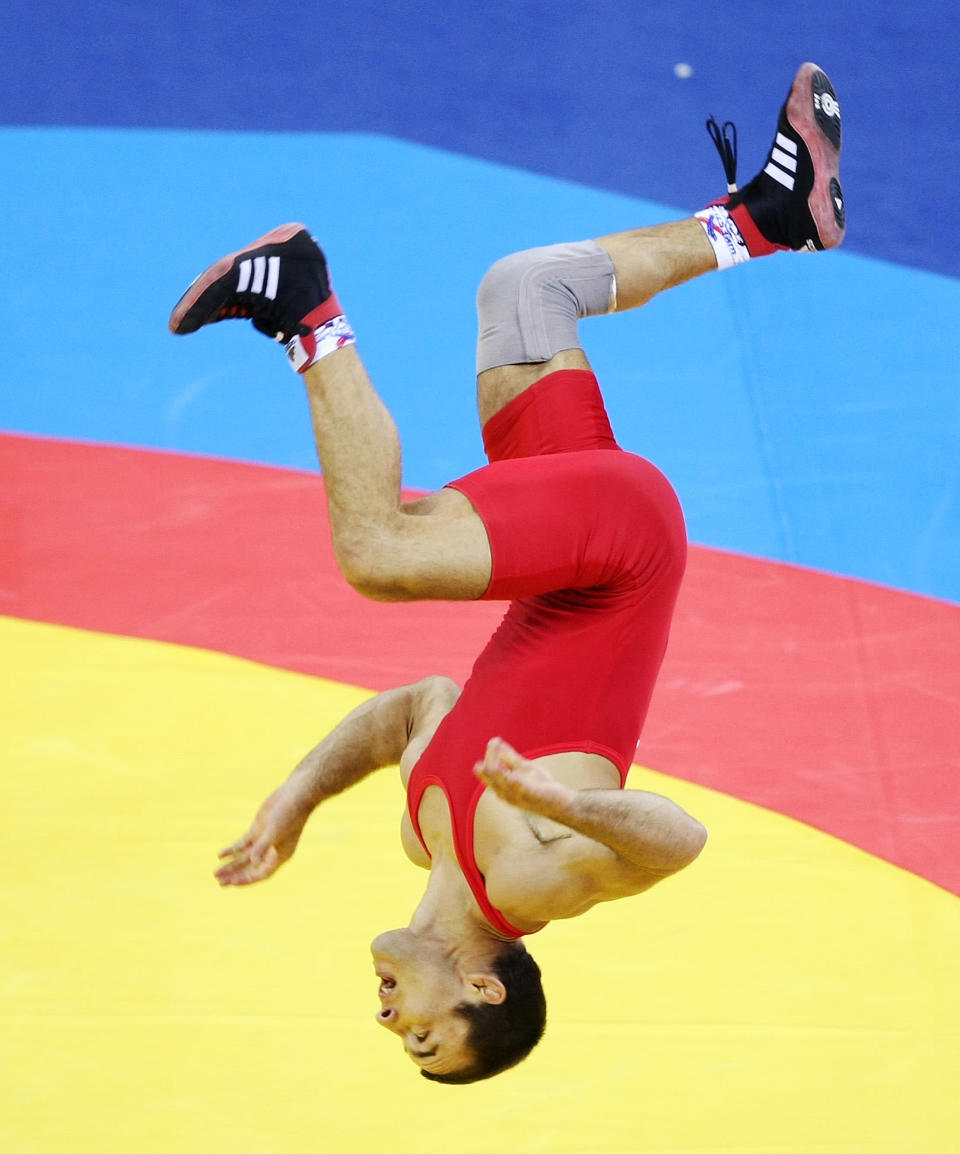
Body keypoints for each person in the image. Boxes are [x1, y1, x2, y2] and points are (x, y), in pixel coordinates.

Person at [170, 63, 844, 1083]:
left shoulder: (422, 832)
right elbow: (680, 840)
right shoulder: (532, 878)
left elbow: (414, 708)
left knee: (525, 290)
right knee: (379, 553)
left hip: (577, 551)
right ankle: (300, 301)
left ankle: (765, 218)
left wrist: (299, 798)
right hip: (618, 550)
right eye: (426, 1038)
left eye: (405, 1045)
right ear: (482, 989)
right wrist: (562, 800)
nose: (395, 1024)